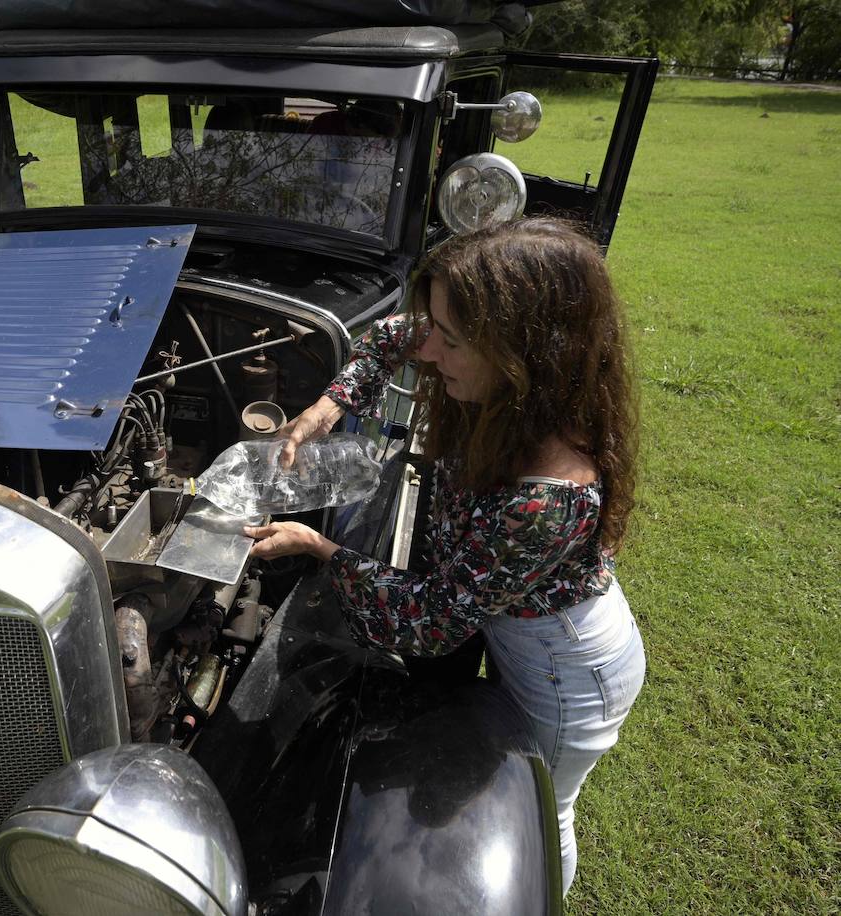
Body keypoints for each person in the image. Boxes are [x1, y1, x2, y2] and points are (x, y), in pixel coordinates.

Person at [243, 217, 646, 895]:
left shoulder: (546, 497)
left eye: (452, 341)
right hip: (520, 633)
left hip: (563, 669)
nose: (429, 352)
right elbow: (393, 336)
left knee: (547, 808)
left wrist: (320, 548)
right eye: (435, 329)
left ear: (523, 354)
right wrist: (330, 405)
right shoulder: (508, 384)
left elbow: (430, 622)